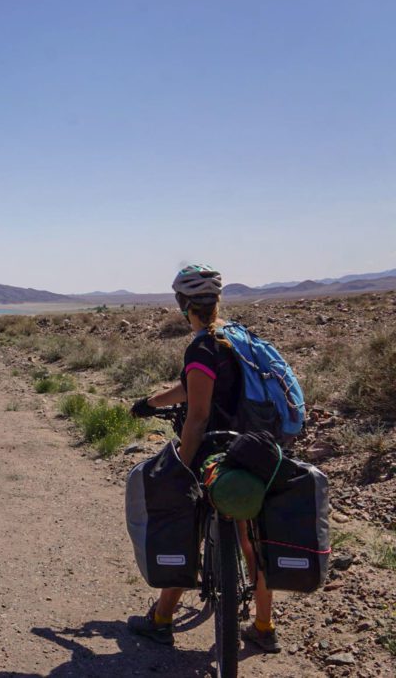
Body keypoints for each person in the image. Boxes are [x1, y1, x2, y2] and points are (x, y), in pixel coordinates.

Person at [125, 263, 281, 654]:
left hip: (215, 451)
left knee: (188, 525)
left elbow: (196, 414)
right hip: (253, 447)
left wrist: (182, 464)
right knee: (250, 538)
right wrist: (151, 402)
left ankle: (161, 619)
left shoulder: (201, 346)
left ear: (183, 304)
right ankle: (264, 626)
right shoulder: (234, 338)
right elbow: (192, 386)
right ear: (216, 301)